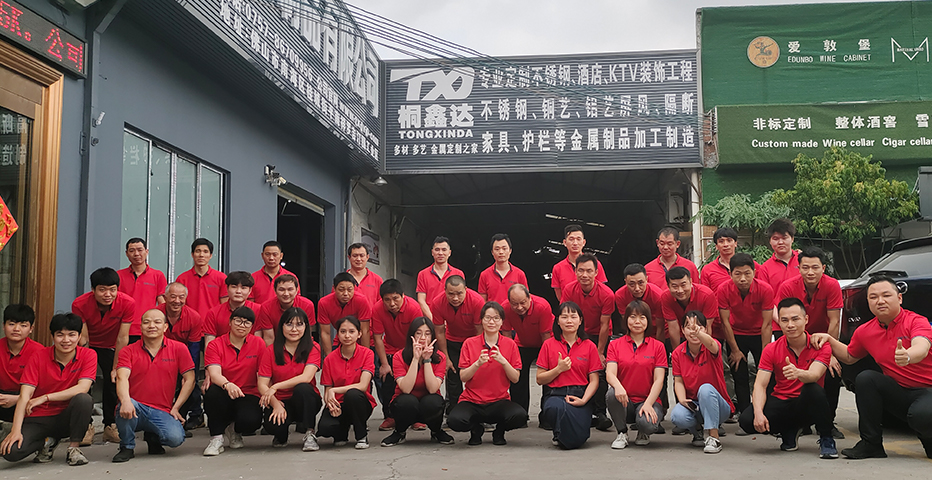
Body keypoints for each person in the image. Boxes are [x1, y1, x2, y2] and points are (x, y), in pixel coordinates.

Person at [812, 276, 932, 460]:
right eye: (873, 297)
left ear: (899, 298)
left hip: (928, 390)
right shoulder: (865, 331)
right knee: (866, 378)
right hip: (900, 392)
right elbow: (850, 356)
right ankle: (871, 444)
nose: (880, 301)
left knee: (921, 416)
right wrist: (829, 340)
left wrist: (908, 356)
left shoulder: (916, 321)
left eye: (886, 295)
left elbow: (922, 347)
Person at [738, 298, 837, 459]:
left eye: (795, 319)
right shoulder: (771, 349)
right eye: (784, 320)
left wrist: (798, 373)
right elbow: (760, 385)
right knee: (747, 420)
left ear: (806, 319)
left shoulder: (820, 345)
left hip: (807, 403)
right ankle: (788, 431)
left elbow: (814, 375)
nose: (790, 325)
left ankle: (827, 438)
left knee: (813, 389)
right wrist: (758, 413)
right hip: (782, 400)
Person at [0, 313, 96, 466]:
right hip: (39, 417)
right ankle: (47, 443)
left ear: (79, 337)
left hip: (66, 416)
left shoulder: (88, 355)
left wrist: (45, 397)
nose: (66, 340)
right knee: (11, 451)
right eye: (60, 335)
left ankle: (74, 448)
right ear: (52, 336)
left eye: (71, 335)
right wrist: (15, 430)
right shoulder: (38, 356)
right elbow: (25, 395)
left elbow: (83, 387)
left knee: (84, 399)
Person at [775, 246, 844, 438]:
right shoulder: (788, 287)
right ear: (798, 268)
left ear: (823, 268)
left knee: (832, 373)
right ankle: (800, 422)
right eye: (805, 267)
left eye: (815, 267)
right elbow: (784, 318)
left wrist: (829, 353)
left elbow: (834, 321)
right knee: (791, 376)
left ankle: (827, 424)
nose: (810, 272)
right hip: (797, 339)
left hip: (823, 340)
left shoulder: (832, 285)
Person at [112, 309, 196, 462]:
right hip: (135, 407)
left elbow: (190, 379)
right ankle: (127, 447)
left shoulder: (179, 348)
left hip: (161, 409)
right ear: (140, 327)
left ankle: (153, 437)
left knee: (175, 438)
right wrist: (125, 401)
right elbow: (122, 377)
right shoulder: (128, 351)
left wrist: (176, 407)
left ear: (165, 327)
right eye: (146, 322)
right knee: (126, 406)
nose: (151, 326)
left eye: (157, 322)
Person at [72, 267, 136, 444]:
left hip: (112, 346)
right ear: (93, 290)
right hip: (89, 345)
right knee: (85, 382)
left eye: (112, 289)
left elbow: (123, 337)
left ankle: (110, 425)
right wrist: (85, 364)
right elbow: (83, 339)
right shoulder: (79, 304)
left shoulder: (128, 303)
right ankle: (86, 426)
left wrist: (116, 367)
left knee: (114, 381)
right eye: (102, 290)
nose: (108, 294)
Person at [448, 301, 526, 445]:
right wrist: (477, 364)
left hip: (499, 401)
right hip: (472, 401)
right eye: (487, 318)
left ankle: (499, 431)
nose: (491, 322)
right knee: (455, 420)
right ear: (481, 320)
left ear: (502, 322)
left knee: (520, 416)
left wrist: (503, 361)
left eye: (496, 318)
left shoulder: (510, 344)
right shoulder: (469, 343)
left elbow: (515, 378)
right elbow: (463, 377)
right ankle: (476, 429)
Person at [380, 317, 455, 447]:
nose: (423, 338)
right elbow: (406, 389)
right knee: (407, 401)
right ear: (412, 335)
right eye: (418, 333)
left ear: (433, 336)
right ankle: (399, 432)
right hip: (406, 403)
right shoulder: (399, 356)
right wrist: (415, 359)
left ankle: (436, 431)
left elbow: (432, 389)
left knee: (433, 401)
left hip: (428, 404)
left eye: (427, 334)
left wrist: (427, 360)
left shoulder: (440, 357)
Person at [536, 301, 601, 449]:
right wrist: (558, 369)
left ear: (580, 320)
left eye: (573, 317)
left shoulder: (589, 346)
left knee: (580, 439)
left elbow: (594, 380)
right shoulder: (548, 344)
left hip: (580, 394)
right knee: (557, 408)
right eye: (564, 317)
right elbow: (540, 379)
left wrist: (583, 400)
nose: (569, 321)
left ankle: (562, 434)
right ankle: (560, 434)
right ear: (558, 321)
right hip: (555, 394)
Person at [560, 253, 614, 431]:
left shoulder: (606, 294)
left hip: (599, 335)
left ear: (596, 272)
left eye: (589, 271)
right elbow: (566, 315)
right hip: (578, 333)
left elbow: (604, 325)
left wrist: (600, 352)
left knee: (599, 371)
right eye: (581, 270)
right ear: (575, 271)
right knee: (577, 368)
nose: (584, 275)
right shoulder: (569, 290)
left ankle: (600, 413)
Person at [202, 306, 265, 456]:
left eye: (247, 322)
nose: (242, 325)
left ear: (252, 327)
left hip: (248, 392)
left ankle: (234, 430)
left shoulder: (258, 343)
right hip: (223, 390)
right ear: (230, 322)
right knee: (212, 393)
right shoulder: (215, 344)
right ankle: (217, 438)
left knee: (251, 421)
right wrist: (228, 384)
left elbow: (262, 373)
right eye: (238, 321)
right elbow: (214, 374)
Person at [717, 253, 774, 416]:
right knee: (739, 374)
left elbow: (767, 324)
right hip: (736, 334)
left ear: (754, 272)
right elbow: (725, 322)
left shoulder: (765, 289)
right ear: (730, 273)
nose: (743, 279)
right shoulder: (723, 289)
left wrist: (765, 352)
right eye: (738, 274)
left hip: (759, 334)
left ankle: (768, 411)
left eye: (747, 273)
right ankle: (745, 413)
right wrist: (735, 350)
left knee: (766, 373)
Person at [258, 307, 322, 451]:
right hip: (281, 400)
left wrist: (275, 386)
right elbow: (262, 384)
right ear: (281, 327)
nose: (294, 329)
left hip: (305, 400)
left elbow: (306, 377)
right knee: (273, 424)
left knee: (303, 388)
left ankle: (310, 433)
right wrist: (275, 404)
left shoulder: (313, 347)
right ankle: (281, 436)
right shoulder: (270, 350)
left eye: (299, 324)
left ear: (306, 327)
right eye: (289, 324)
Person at [670, 311, 734, 454]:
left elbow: (711, 343)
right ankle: (697, 431)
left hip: (719, 405)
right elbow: (678, 381)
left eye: (699, 326)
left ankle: (714, 437)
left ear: (706, 329)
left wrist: (698, 333)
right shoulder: (677, 353)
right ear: (682, 330)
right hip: (695, 405)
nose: (693, 331)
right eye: (689, 327)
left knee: (705, 389)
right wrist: (682, 399)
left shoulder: (712, 346)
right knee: (677, 416)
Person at [606, 300, 667, 449]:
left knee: (648, 424)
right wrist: (618, 387)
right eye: (633, 317)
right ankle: (622, 432)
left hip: (648, 400)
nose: (637, 322)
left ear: (648, 320)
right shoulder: (615, 344)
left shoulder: (658, 346)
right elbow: (610, 373)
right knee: (611, 394)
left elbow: (659, 380)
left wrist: (648, 403)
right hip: (625, 400)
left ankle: (643, 432)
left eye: (642, 317)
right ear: (626, 319)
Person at [371, 279, 422, 431]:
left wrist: (416, 357)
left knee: (415, 383)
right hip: (390, 349)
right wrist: (384, 364)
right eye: (387, 300)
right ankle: (390, 417)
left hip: (410, 348)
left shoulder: (414, 308)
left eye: (395, 298)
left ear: (403, 295)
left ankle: (417, 418)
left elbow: (419, 334)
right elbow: (377, 338)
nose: (392, 303)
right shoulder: (377, 309)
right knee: (387, 383)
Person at [318, 315, 376, 449]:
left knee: (353, 394)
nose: (347, 336)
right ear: (337, 334)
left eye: (352, 331)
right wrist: (330, 404)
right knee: (325, 428)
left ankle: (361, 436)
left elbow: (362, 386)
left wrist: (335, 390)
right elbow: (328, 391)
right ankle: (341, 433)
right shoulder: (329, 359)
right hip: (339, 404)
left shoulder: (367, 354)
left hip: (359, 403)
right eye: (343, 331)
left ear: (359, 334)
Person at [429, 275, 484, 414]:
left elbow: (479, 330)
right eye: (451, 294)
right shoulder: (437, 302)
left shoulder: (477, 301)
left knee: (476, 375)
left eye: (459, 293)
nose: (455, 298)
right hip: (452, 340)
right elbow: (439, 331)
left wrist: (477, 355)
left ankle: (480, 410)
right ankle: (454, 410)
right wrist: (445, 358)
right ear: (445, 291)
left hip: (472, 341)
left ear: (466, 289)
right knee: (452, 374)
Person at [156, 283, 205, 430]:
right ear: (165, 297)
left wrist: (188, 372)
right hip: (161, 354)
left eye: (181, 297)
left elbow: (194, 349)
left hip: (185, 354)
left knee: (190, 381)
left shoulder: (194, 317)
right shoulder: (155, 314)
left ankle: (192, 416)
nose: (177, 301)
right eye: (173, 297)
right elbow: (150, 342)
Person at [503, 284, 553, 424]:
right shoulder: (505, 308)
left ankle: (547, 416)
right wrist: (509, 359)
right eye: (515, 304)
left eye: (523, 303)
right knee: (517, 377)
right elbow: (507, 335)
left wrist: (548, 360)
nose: (519, 307)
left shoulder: (542, 306)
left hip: (545, 342)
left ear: (529, 297)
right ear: (509, 301)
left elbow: (546, 336)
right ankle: (519, 416)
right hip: (522, 343)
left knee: (548, 377)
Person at [0, 306, 43, 435]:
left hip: (27, 398)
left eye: (23, 325)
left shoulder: (39, 352)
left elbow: (46, 388)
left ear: (31, 329)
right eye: (11, 324)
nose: (16, 329)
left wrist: (17, 399)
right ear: (3, 326)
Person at [117, 237, 168, 340]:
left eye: (140, 250)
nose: (136, 254)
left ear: (146, 251)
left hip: (149, 328)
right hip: (124, 328)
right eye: (132, 250)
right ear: (126, 253)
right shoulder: (118, 276)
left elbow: (162, 303)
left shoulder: (158, 275)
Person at [660, 266, 719, 347]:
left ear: (691, 281)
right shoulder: (666, 297)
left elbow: (706, 327)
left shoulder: (707, 295)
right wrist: (677, 352)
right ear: (668, 285)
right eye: (675, 286)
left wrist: (704, 350)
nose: (680, 290)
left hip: (703, 335)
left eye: (683, 285)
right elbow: (673, 327)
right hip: (681, 334)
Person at [317, 273, 372, 357]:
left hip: (360, 340)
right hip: (341, 339)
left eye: (350, 290)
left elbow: (365, 331)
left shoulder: (361, 301)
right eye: (341, 290)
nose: (346, 293)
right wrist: (329, 357)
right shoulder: (324, 303)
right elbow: (325, 333)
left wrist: (364, 356)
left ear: (354, 288)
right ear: (334, 288)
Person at [204, 271, 261, 348]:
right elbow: (209, 343)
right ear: (227, 288)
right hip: (221, 353)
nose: (238, 291)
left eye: (243, 288)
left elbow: (259, 341)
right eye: (234, 287)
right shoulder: (214, 313)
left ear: (250, 291)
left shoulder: (258, 310)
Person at [551, 224, 607, 301]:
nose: (575, 243)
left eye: (578, 239)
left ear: (583, 242)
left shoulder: (595, 264)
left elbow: (602, 291)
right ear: (565, 242)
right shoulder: (557, 268)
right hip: (570, 307)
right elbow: (560, 297)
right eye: (571, 239)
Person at [256, 274, 316, 345]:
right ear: (275, 290)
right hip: (277, 344)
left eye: (290, 289)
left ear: (297, 290)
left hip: (302, 344)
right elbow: (269, 338)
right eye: (281, 290)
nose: (286, 294)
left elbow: (307, 334)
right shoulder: (266, 307)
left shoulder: (307, 305)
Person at [175, 238, 227, 318]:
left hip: (212, 322)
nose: (201, 255)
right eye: (198, 251)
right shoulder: (182, 279)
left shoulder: (221, 278)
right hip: (189, 321)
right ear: (192, 254)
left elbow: (224, 305)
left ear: (210, 255)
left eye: (205, 251)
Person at [416, 236, 465, 318]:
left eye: (444, 250)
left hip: (452, 319)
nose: (440, 253)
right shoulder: (423, 274)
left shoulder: (458, 273)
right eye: (437, 249)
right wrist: (432, 319)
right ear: (432, 252)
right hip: (430, 318)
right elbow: (421, 300)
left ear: (449, 253)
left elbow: (461, 298)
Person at [615, 263, 666, 340]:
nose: (637, 288)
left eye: (640, 283)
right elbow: (627, 322)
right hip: (634, 331)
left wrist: (658, 345)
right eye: (632, 284)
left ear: (646, 279)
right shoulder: (620, 295)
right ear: (625, 282)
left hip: (656, 332)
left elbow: (660, 327)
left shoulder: (658, 296)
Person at [478, 233, 528, 305]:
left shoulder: (520, 274)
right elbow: (482, 302)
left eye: (504, 248)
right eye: (497, 249)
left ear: (510, 251)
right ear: (492, 252)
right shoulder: (484, 275)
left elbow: (525, 299)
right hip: (493, 312)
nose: (501, 252)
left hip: (513, 311)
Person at [644, 227, 700, 291]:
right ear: (657, 243)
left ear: (677, 244)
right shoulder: (648, 269)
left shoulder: (690, 266)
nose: (665, 247)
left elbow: (696, 290)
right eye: (662, 243)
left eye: (669, 244)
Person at [700, 227, 740, 293]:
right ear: (716, 246)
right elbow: (705, 294)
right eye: (721, 241)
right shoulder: (707, 270)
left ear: (735, 243)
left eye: (729, 240)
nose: (726, 245)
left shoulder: (749, 265)